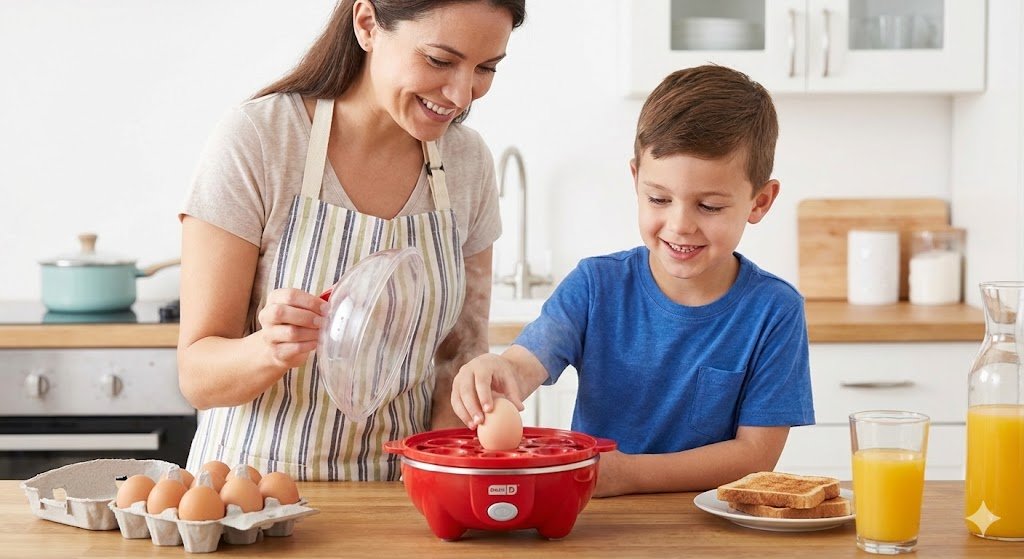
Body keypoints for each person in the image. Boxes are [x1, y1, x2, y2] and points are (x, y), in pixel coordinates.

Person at [177, 0, 526, 481]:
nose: (462, 94)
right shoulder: (261, 140)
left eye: (485, 68)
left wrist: (447, 477)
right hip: (251, 500)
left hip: (403, 494)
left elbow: (457, 358)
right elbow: (197, 377)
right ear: (367, 24)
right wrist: (270, 349)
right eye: (440, 60)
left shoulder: (467, 164)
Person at [451, 65, 814, 498]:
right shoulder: (596, 286)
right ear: (635, 180)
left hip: (713, 526)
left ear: (760, 202)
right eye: (659, 199)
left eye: (710, 206)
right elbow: (523, 366)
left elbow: (755, 456)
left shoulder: (774, 311)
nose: (680, 225)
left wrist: (626, 475)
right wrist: (497, 369)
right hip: (597, 522)